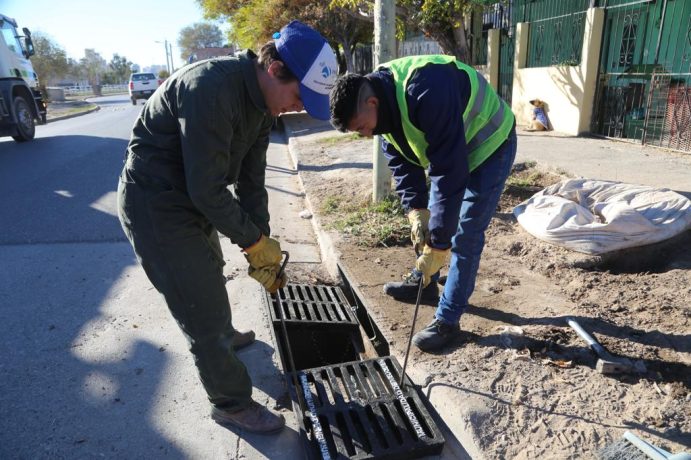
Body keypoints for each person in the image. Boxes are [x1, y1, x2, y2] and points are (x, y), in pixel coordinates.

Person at [117, 21, 337, 433]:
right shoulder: (212, 89)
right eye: (297, 96)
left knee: (211, 271)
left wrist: (264, 240)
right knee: (199, 304)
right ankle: (230, 403)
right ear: (274, 70)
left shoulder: (262, 105)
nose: (298, 106)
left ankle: (223, 331)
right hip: (157, 202)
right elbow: (207, 189)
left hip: (193, 197)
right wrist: (252, 242)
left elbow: (253, 181)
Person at [330, 55, 516, 352]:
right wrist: (417, 211)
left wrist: (440, 244)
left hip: (490, 143)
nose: (366, 135)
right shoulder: (382, 109)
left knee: (465, 234)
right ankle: (425, 283)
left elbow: (449, 172)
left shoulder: (426, 88)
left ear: (372, 103)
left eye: (362, 127)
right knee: (431, 222)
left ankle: (448, 320)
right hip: (455, 150)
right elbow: (403, 165)